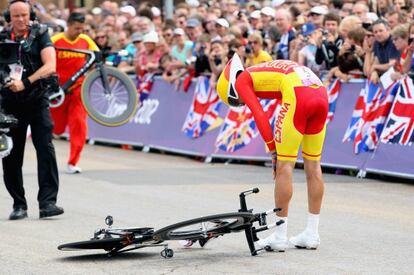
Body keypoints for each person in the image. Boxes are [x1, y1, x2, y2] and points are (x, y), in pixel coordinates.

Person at [216, 55, 328, 251]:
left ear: (232, 88)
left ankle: (279, 235)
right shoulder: (262, 69)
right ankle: (312, 233)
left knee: (285, 166)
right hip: (320, 94)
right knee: (313, 165)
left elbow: (260, 115)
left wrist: (273, 151)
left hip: (298, 96)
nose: (241, 104)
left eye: (235, 100)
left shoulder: (243, 80)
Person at [1, 0, 63, 220]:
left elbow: (50, 65)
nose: (21, 20)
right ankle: (19, 204)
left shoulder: (41, 34)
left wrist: (25, 82)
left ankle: (47, 203)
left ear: (31, 15)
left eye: (24, 15)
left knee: (45, 149)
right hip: (9, 104)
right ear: (9, 17)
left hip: (37, 100)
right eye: (16, 16)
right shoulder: (2, 37)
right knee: (10, 155)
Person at [50, 12, 99, 174]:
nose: (80, 31)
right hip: (58, 91)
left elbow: (96, 57)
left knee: (79, 124)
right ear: (69, 25)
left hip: (79, 89)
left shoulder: (86, 41)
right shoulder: (55, 40)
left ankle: (73, 162)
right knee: (56, 128)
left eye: (82, 28)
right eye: (77, 28)